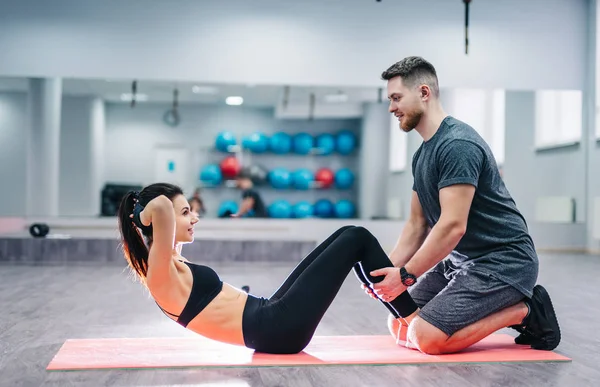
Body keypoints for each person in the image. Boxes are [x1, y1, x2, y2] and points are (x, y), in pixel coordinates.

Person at [362, 56, 561, 354]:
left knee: (427, 338)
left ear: (424, 93)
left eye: (396, 98)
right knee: (400, 325)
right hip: (460, 263)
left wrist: (405, 276)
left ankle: (526, 309)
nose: (391, 107)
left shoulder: (457, 145)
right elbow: (417, 224)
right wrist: (388, 272)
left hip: (503, 263)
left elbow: (453, 225)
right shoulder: (422, 155)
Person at [117, 182, 420, 354]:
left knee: (347, 233)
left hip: (269, 315)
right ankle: (413, 320)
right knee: (358, 238)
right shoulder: (159, 275)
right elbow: (158, 207)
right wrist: (144, 213)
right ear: (159, 221)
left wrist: (150, 216)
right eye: (185, 213)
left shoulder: (171, 260)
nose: (194, 218)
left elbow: (163, 220)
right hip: (276, 328)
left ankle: (405, 320)